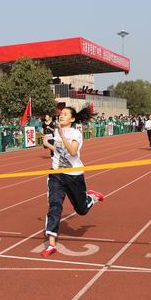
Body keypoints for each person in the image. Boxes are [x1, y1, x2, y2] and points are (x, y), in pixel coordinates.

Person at [40, 106, 104, 258]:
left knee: (81, 210)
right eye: (60, 114)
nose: (61, 116)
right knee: (54, 205)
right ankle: (51, 244)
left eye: (65, 114)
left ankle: (91, 198)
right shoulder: (57, 132)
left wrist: (62, 135)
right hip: (56, 174)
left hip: (74, 176)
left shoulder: (76, 133)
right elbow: (60, 151)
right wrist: (48, 144)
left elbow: (73, 151)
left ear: (72, 119)